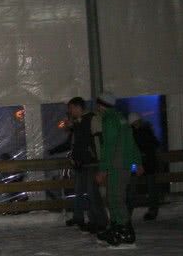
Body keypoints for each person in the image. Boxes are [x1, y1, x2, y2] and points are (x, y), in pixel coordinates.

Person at [49, 97, 108, 234]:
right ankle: (92, 220)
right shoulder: (78, 123)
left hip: (92, 163)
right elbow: (74, 143)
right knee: (87, 193)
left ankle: (100, 221)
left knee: (92, 194)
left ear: (77, 107)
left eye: (70, 108)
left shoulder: (92, 119)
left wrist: (101, 162)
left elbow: (99, 141)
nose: (69, 111)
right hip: (82, 163)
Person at [94, 93, 144, 245]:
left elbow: (109, 146)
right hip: (125, 164)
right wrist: (137, 163)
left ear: (101, 105)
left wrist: (103, 169)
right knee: (114, 197)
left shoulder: (109, 119)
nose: (97, 107)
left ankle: (125, 232)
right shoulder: (121, 118)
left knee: (116, 198)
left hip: (117, 165)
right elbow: (132, 143)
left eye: (98, 104)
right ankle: (116, 228)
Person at [126, 112, 161, 220]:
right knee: (139, 186)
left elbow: (153, 145)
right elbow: (155, 144)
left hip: (142, 163)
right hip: (142, 163)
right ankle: (150, 210)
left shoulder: (134, 133)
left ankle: (130, 211)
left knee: (145, 187)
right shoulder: (144, 130)